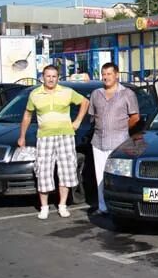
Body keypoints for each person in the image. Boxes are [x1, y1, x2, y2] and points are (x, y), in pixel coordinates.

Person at [18, 64, 90, 220]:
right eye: (48, 76)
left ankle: (62, 205)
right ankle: (44, 207)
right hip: (44, 137)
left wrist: (77, 121)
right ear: (42, 77)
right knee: (43, 171)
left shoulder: (67, 92)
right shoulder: (35, 94)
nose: (51, 79)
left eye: (54, 76)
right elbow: (27, 116)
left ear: (58, 78)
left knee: (66, 170)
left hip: (65, 136)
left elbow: (85, 102)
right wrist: (22, 136)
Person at [88, 62, 139, 215]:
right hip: (98, 142)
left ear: (116, 75)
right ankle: (102, 207)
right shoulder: (96, 94)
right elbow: (92, 116)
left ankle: (119, 207)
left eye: (109, 74)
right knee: (100, 176)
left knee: (118, 177)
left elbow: (135, 117)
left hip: (119, 143)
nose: (106, 77)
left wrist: (122, 129)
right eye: (103, 74)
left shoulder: (127, 94)